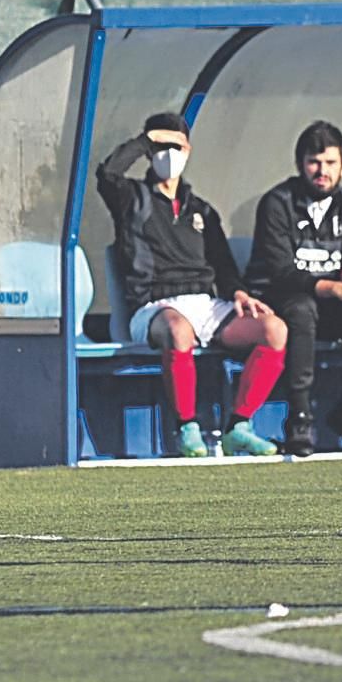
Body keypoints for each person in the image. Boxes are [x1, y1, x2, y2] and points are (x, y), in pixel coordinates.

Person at [94, 110, 287, 458]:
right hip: (154, 307)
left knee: (274, 329)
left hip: (205, 304)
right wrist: (145, 141)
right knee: (178, 330)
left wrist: (239, 292)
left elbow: (223, 265)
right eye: (160, 147)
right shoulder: (131, 198)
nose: (168, 155)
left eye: (176, 146)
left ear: (188, 150)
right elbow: (106, 174)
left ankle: (239, 426)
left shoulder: (202, 210)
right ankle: (188, 428)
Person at [250, 120, 342, 457]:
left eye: (330, 163)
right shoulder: (277, 202)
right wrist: (335, 288)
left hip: (330, 301)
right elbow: (281, 272)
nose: (322, 171)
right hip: (282, 299)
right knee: (302, 309)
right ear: (300, 164)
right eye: (314, 162)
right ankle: (299, 417)